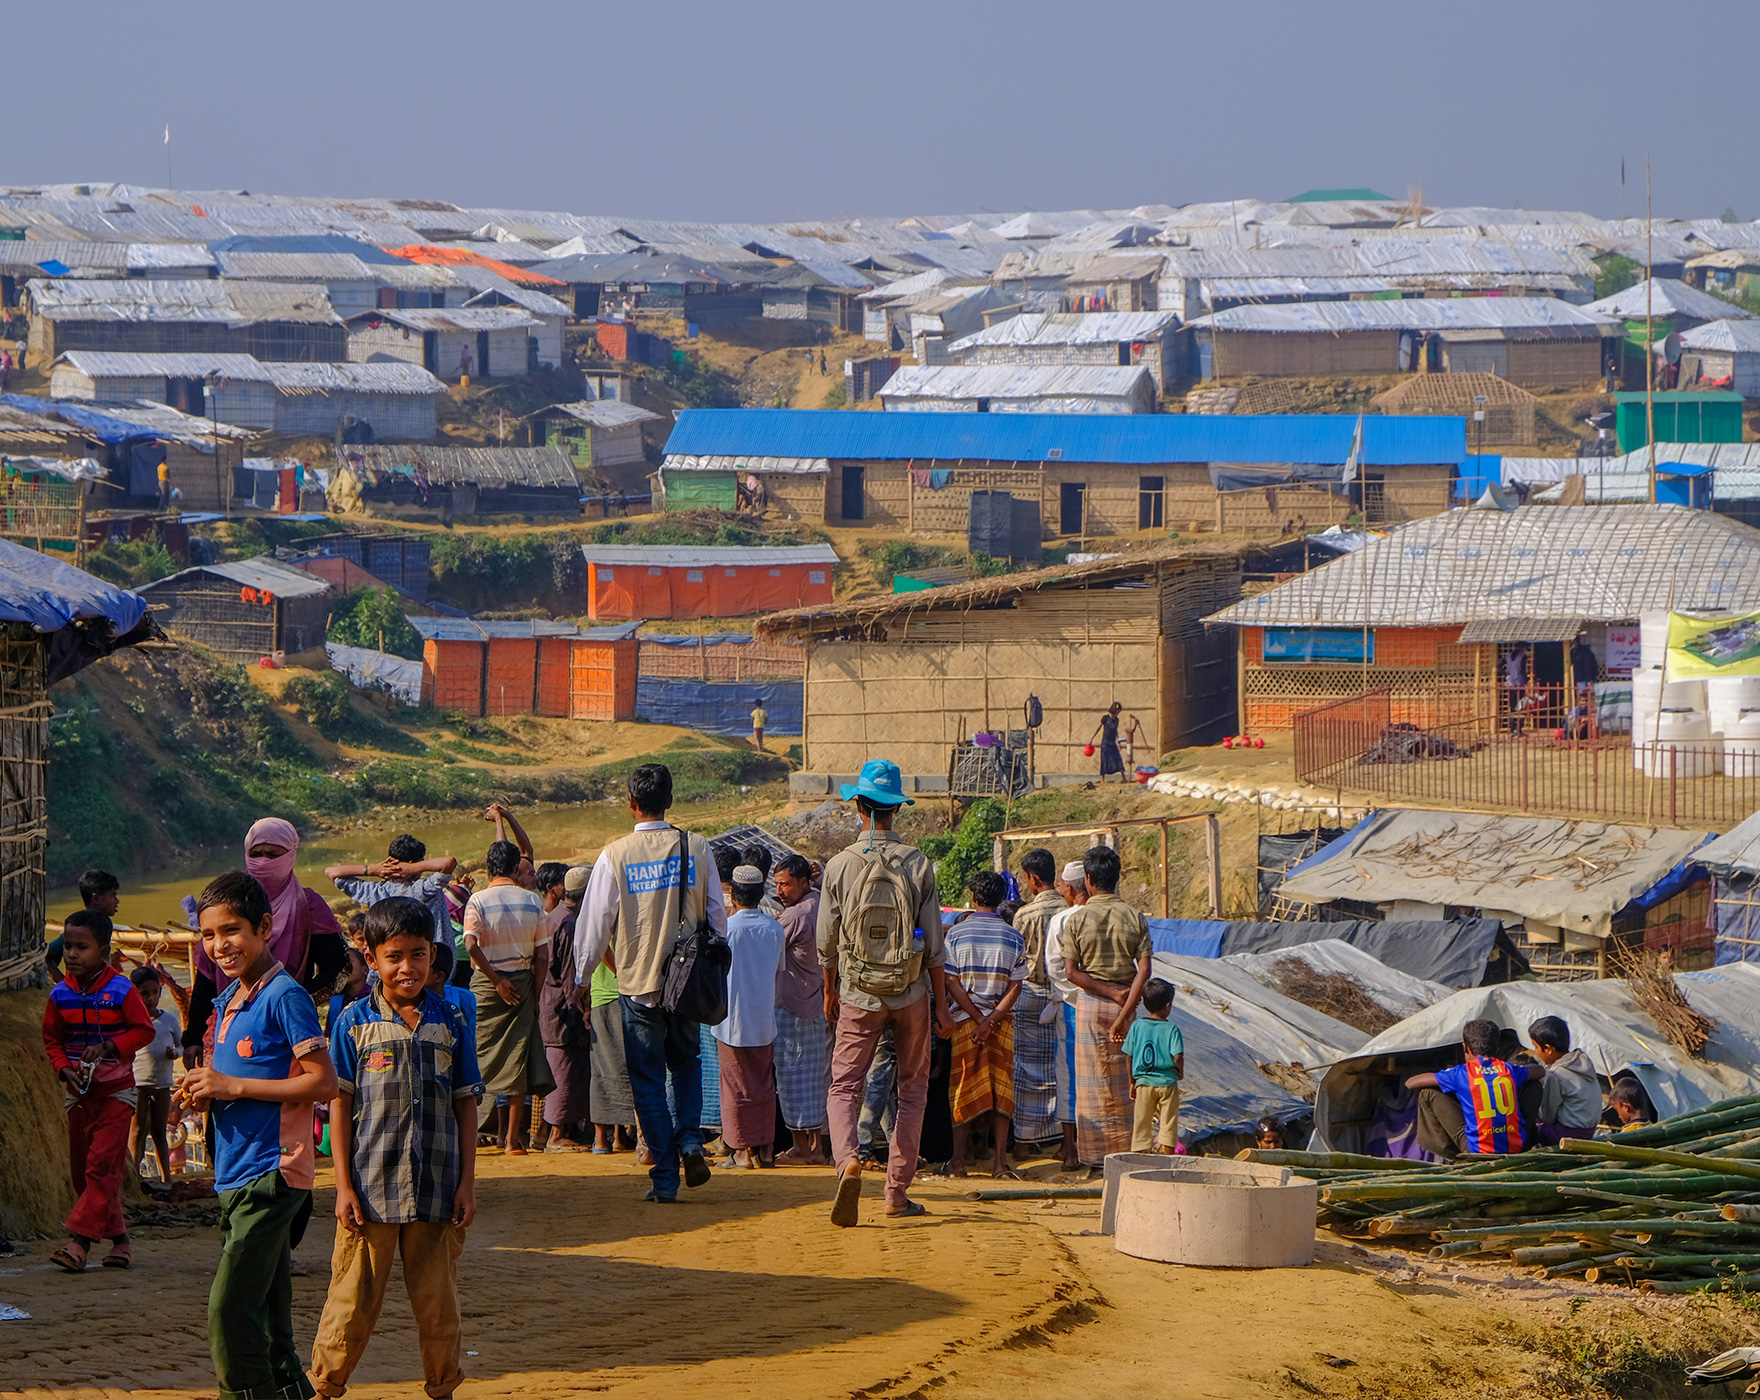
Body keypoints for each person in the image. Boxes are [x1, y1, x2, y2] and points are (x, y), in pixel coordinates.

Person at [309, 897, 481, 1400]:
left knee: (438, 1300)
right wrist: (342, 1187)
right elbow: (339, 1105)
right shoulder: (352, 1022)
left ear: (433, 954)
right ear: (371, 954)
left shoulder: (451, 1021)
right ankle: (325, 1387)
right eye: (395, 956)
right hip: (369, 1187)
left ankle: (443, 1386)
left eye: (419, 954)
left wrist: (467, 1184)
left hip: (437, 1186)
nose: (408, 968)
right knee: (351, 1298)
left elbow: (466, 1104)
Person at [180, 871, 337, 1400]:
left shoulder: (283, 996)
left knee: (229, 1310)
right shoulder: (228, 1002)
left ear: (265, 927)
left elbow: (323, 1081)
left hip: (274, 1172)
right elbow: (236, 1085)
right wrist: (206, 1091)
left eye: (232, 931)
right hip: (234, 1173)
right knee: (269, 1314)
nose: (220, 945)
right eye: (208, 935)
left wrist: (231, 1084)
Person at [575, 762, 726, 1203]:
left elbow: (594, 926)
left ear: (631, 803)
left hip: (638, 985)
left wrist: (582, 980)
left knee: (647, 1080)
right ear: (670, 800)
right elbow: (717, 917)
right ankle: (692, 1142)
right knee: (686, 1063)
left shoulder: (614, 855)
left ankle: (664, 1178)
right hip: (688, 985)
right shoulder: (698, 848)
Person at [818, 758, 959, 1226]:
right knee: (913, 1090)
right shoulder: (918, 863)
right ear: (895, 809)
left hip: (858, 991)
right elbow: (935, 946)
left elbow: (826, 943)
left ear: (858, 806)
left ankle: (849, 1162)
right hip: (911, 990)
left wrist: (830, 992)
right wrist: (940, 1008)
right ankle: (896, 1193)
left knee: (844, 1086)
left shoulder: (839, 865)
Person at [43, 911, 155, 1271]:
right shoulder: (59, 995)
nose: (71, 955)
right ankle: (120, 1241)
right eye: (68, 947)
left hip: (116, 1092)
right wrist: (63, 1068)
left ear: (103, 952)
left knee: (101, 1166)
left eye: (81, 947)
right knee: (84, 1174)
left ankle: (80, 1244)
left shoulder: (122, 989)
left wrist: (109, 1047)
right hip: (78, 1093)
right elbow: (52, 1041)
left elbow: (143, 1031)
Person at [185, 819, 346, 1067]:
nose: (262, 862)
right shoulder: (222, 911)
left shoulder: (308, 906)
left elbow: (339, 967)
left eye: (273, 854)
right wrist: (193, 1035)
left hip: (283, 1026)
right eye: (256, 854)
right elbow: (207, 978)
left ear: (290, 855)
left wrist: (294, 1003)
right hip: (228, 1020)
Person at [1061, 845, 1153, 1168]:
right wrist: (1125, 1004)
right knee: (1130, 1081)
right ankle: (1130, 1153)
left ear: (1087, 879)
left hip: (1091, 1004)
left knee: (1092, 1084)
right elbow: (1145, 970)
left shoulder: (1077, 919)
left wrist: (1106, 993)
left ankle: (1096, 1158)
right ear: (1117, 878)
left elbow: (1071, 972)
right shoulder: (1134, 916)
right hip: (1127, 1004)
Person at [462, 839, 552, 1155]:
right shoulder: (532, 901)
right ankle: (512, 1140)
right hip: (523, 983)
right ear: (516, 869)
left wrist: (496, 980)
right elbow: (543, 955)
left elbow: (471, 945)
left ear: (489, 869)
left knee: (475, 1058)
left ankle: (467, 1135)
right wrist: (535, 993)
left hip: (487, 986)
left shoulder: (478, 900)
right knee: (518, 1060)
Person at [943, 870, 1026, 1178]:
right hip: (1001, 1024)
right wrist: (991, 1020)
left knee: (962, 1087)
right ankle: (1000, 1163)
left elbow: (951, 981)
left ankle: (959, 1162)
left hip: (965, 1022)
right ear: (1001, 898)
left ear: (974, 898)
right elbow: (1016, 987)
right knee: (1002, 1091)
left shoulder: (956, 934)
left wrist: (978, 1019)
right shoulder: (1013, 936)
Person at [716, 865, 786, 1169]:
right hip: (763, 1019)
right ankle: (765, 1149)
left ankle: (742, 1151)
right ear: (760, 894)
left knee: (734, 1086)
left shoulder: (727, 929)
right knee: (763, 1085)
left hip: (731, 1020)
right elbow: (779, 969)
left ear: (733, 893)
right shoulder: (774, 928)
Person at [1405, 1018, 1543, 1158]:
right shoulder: (1508, 1069)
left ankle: (1456, 1155)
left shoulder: (1460, 1073)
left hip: (1478, 1151)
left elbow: (1411, 1083)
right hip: (1516, 1146)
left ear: (1465, 1047)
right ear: (1496, 1048)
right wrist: (1517, 1071)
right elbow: (1540, 1071)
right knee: (1533, 1085)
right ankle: (1528, 1140)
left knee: (1427, 1093)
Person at [772, 853, 831, 1166]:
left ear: (803, 883)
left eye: (786, 884)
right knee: (816, 1079)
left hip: (793, 1006)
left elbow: (770, 948)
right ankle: (817, 1147)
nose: (780, 890)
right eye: (778, 884)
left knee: (792, 1078)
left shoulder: (793, 917)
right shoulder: (821, 903)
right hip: (816, 1002)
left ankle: (801, 1148)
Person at [325, 835, 460, 961]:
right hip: (433, 962)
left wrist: (370, 870)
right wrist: (413, 868)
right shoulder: (424, 889)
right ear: (416, 863)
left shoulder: (375, 891)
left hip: (390, 960)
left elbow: (331, 872)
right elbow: (448, 863)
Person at [535, 862, 592, 1152]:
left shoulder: (553, 916)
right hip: (561, 1007)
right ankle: (556, 1135)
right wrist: (579, 1011)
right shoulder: (569, 923)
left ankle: (547, 1132)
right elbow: (571, 975)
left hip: (547, 1003)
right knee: (564, 1069)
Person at [1009, 848, 1063, 1150]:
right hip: (1063, 997)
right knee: (1060, 1069)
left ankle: (1026, 1137)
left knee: (1025, 1070)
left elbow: (1017, 961)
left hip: (1029, 995)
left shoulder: (1024, 914)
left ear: (1033, 878)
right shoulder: (1069, 910)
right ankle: (1058, 1134)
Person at [1042, 861, 1089, 1171]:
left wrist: (1075, 995)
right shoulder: (1110, 915)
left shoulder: (1062, 920)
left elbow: (1056, 969)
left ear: (1070, 889)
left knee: (1069, 1077)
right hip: (1109, 1005)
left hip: (1073, 1009)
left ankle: (1071, 1150)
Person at [130, 966, 182, 1189]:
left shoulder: (169, 1021)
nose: (151, 998)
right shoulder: (130, 1020)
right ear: (134, 993)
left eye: (155, 992)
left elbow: (180, 1044)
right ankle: (134, 1176)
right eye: (144, 993)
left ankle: (166, 1179)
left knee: (160, 1131)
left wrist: (175, 1053)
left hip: (162, 1084)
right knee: (137, 1130)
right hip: (137, 1084)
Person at [1122, 979, 1184, 1155]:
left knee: (1142, 1119)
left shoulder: (1137, 1026)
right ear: (1168, 1005)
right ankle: (1168, 1154)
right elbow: (1178, 1056)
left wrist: (1132, 1082)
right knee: (1168, 1120)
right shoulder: (1172, 1029)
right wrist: (1179, 1073)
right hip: (1167, 1082)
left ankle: (1140, 1153)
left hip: (1143, 1082)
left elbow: (1129, 1056)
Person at [1527, 1016, 1600, 1146]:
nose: (1535, 1052)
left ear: (1548, 1049)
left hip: (1566, 1135)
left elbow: (1547, 1117)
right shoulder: (1583, 1064)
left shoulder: (1555, 1075)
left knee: (1528, 1130)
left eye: (1535, 1047)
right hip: (1588, 1132)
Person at [45, 867, 121, 978]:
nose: (117, 901)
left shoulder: (102, 924)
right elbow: (46, 956)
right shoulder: (80, 928)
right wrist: (63, 983)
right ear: (96, 899)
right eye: (113, 895)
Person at [1088, 702, 1130, 782]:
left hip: (1112, 743)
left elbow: (1115, 731)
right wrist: (1092, 738)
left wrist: (1118, 743)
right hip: (1105, 743)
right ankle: (1103, 779)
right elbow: (1098, 728)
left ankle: (1124, 778)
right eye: (1117, 712)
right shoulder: (1105, 718)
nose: (1118, 714)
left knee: (1118, 759)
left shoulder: (1117, 720)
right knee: (1104, 760)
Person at [1504, 643, 1529, 735]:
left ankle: (1512, 729)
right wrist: (1526, 682)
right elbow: (1523, 671)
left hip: (1511, 686)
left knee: (1512, 707)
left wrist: (1506, 676)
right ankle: (1518, 729)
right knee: (1520, 707)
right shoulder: (1523, 657)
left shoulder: (1508, 657)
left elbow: (1499, 666)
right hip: (1520, 684)